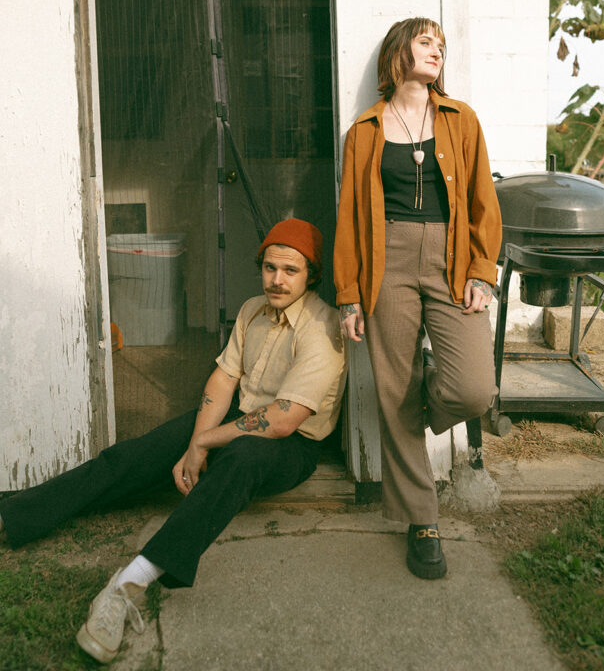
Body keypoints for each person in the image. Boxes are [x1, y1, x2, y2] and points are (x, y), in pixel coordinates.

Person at [0, 218, 346, 664]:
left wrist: (203, 445)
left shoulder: (325, 327)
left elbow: (282, 420)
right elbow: (223, 379)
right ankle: (15, 516)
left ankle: (128, 585)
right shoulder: (251, 310)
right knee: (131, 458)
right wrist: (195, 440)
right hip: (240, 422)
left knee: (240, 456)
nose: (277, 280)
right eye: (270, 268)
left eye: (291, 271)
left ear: (312, 275)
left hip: (290, 445)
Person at [334, 17, 501, 580]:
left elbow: (483, 203)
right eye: (425, 41)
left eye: (441, 45)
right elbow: (350, 221)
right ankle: (422, 519)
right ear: (398, 53)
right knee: (392, 393)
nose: (436, 50)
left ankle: (429, 382)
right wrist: (350, 296)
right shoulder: (363, 131)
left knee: (473, 388)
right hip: (387, 263)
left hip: (452, 260)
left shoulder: (461, 120)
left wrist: (482, 270)